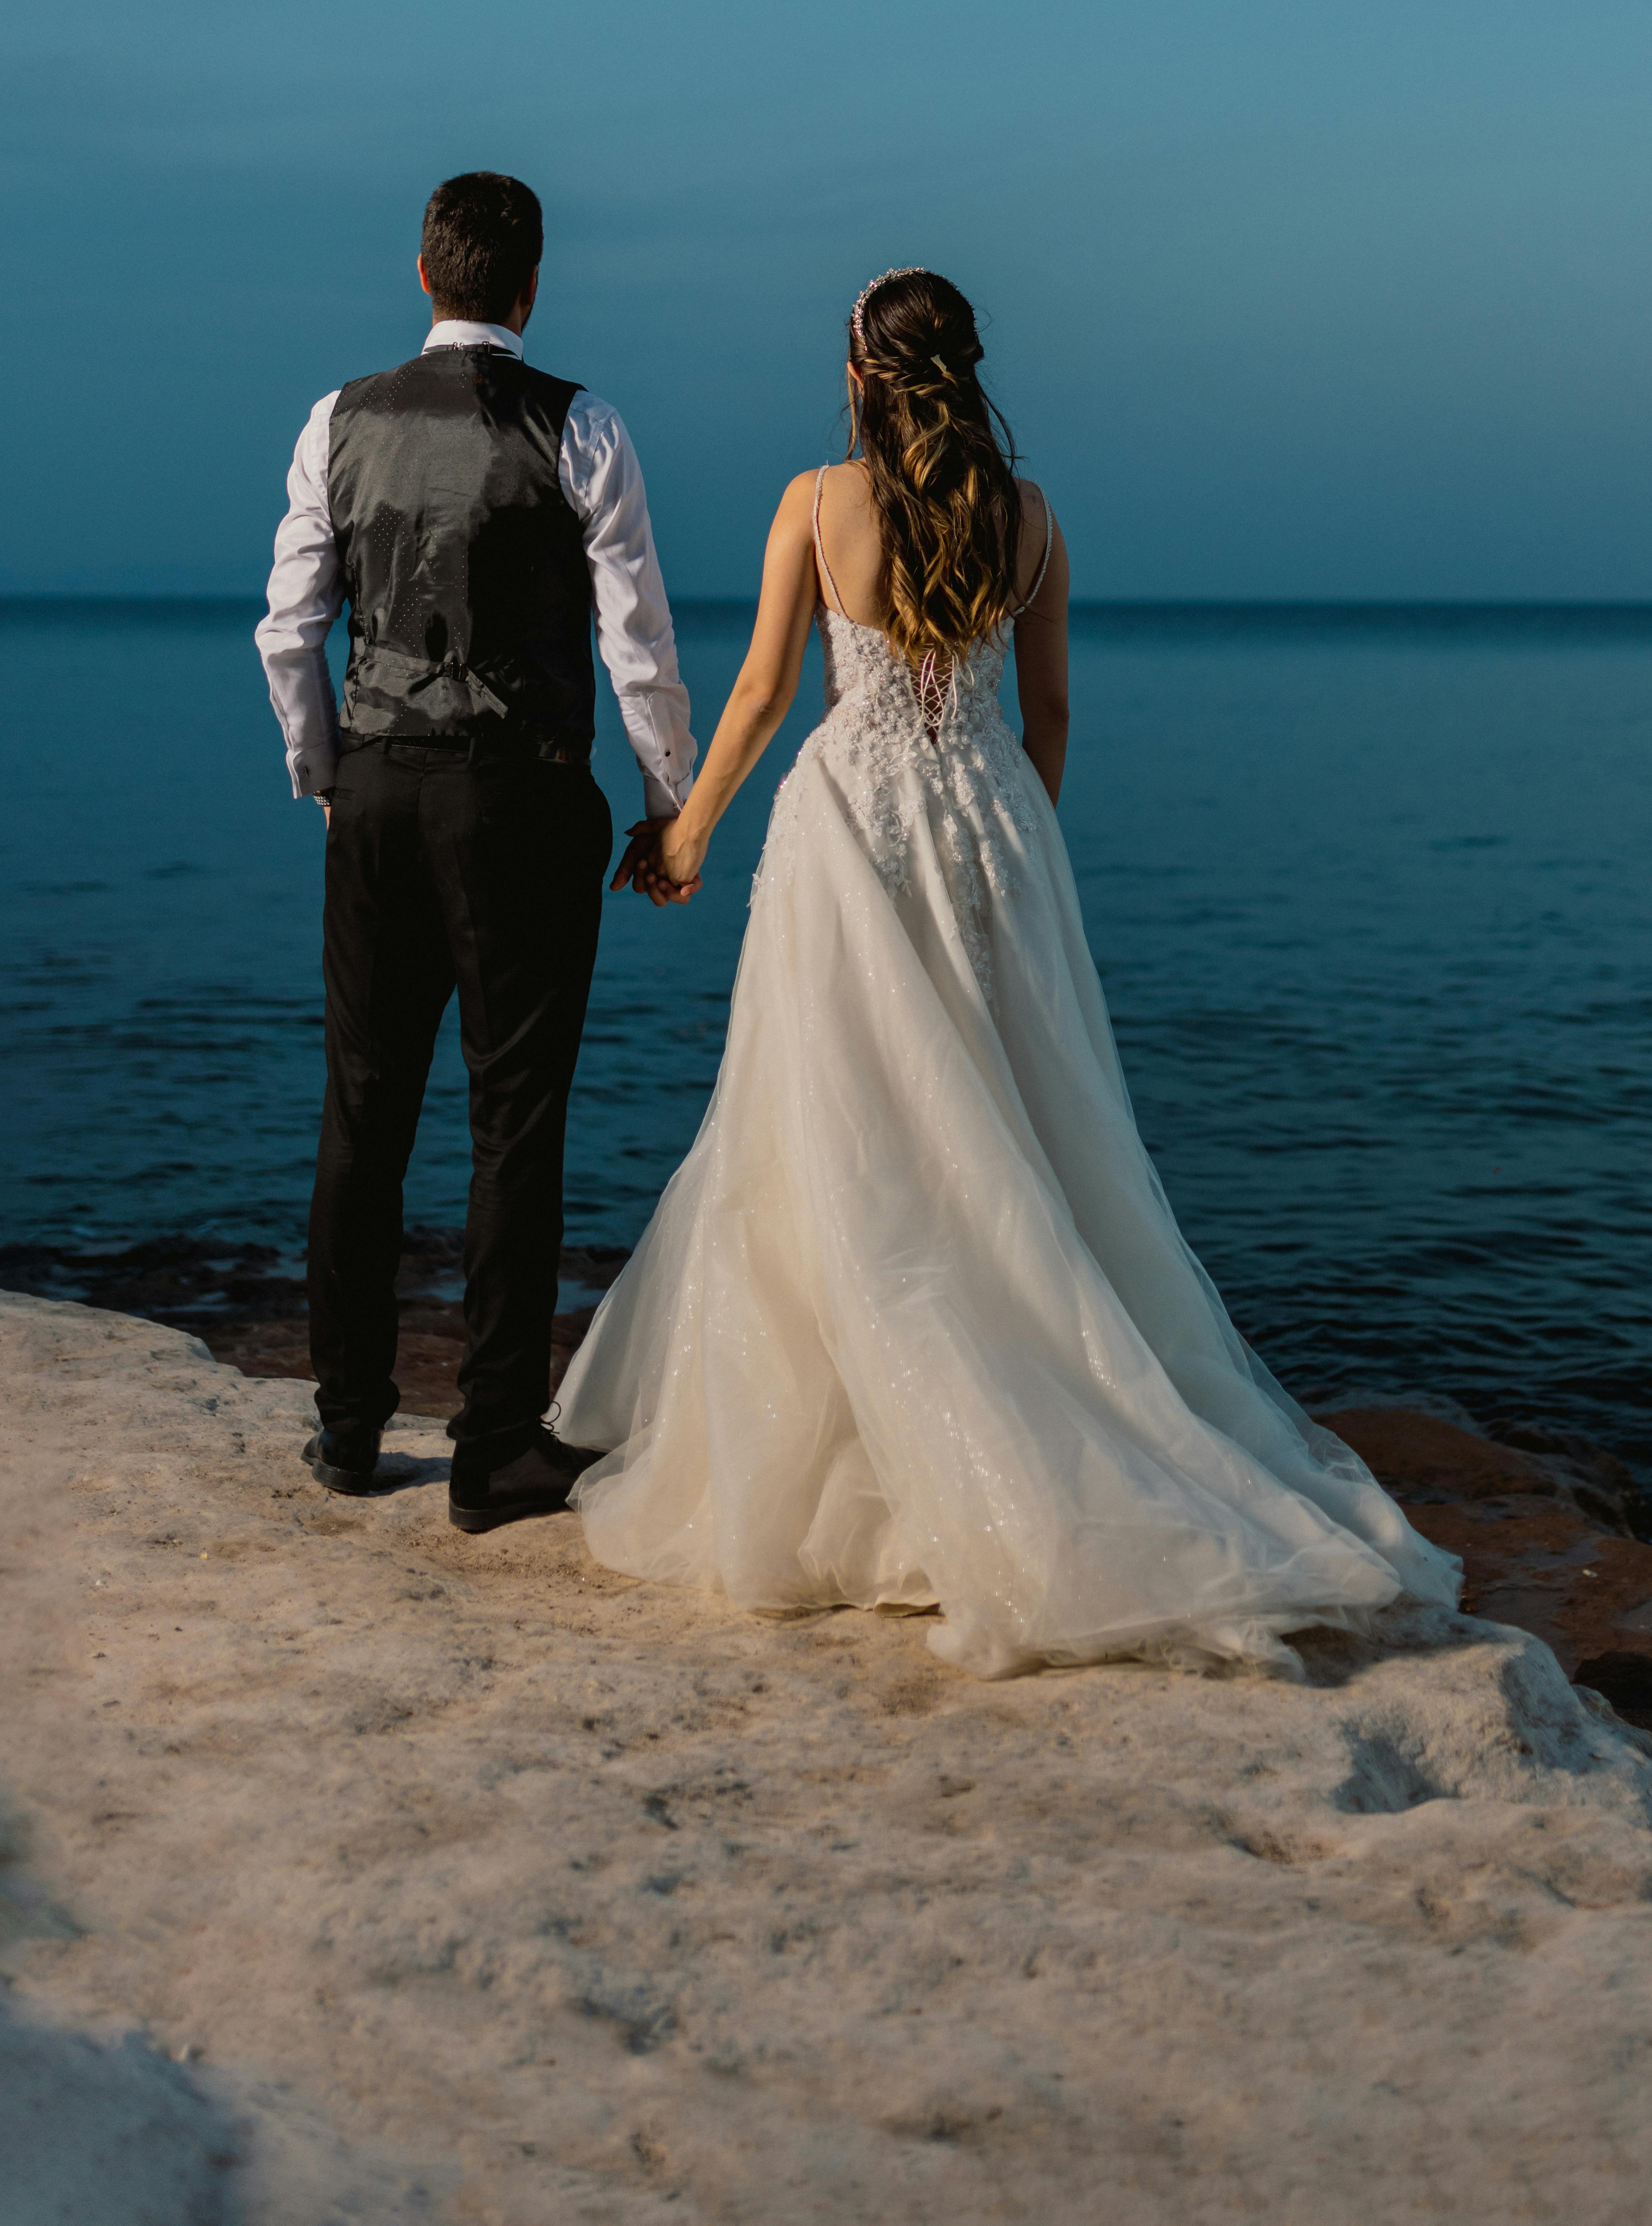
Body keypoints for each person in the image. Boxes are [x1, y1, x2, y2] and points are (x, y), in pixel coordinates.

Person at [552, 268, 1458, 1677]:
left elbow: (765, 694)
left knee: (841, 1129)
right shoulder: (1030, 519)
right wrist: (1006, 841)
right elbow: (1052, 713)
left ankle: (871, 1447)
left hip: (850, 831)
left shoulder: (814, 502)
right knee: (1009, 1121)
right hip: (991, 830)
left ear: (860, 372)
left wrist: (685, 832)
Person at [255, 170, 694, 1532]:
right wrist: (669, 804)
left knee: (362, 1110)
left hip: (378, 797)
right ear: (531, 284)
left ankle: (344, 1426)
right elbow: (637, 649)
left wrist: (327, 775)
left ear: (426, 273)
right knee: (514, 1123)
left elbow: (287, 630)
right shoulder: (585, 428)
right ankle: (495, 1445)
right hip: (523, 802)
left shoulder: (339, 418)